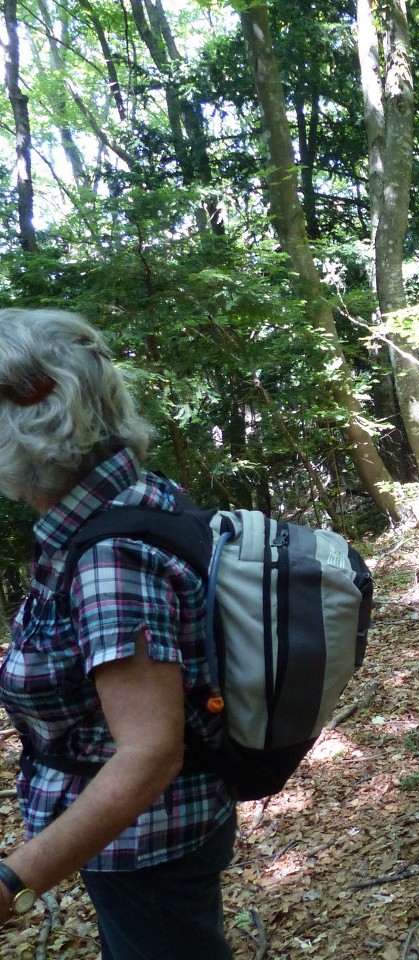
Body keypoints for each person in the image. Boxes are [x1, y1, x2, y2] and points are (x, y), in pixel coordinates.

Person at [0, 309, 236, 956]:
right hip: (154, 838)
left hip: (147, 848)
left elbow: (150, 753)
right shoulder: (136, 497)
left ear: (24, 420)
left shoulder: (109, 556)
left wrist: (11, 881)